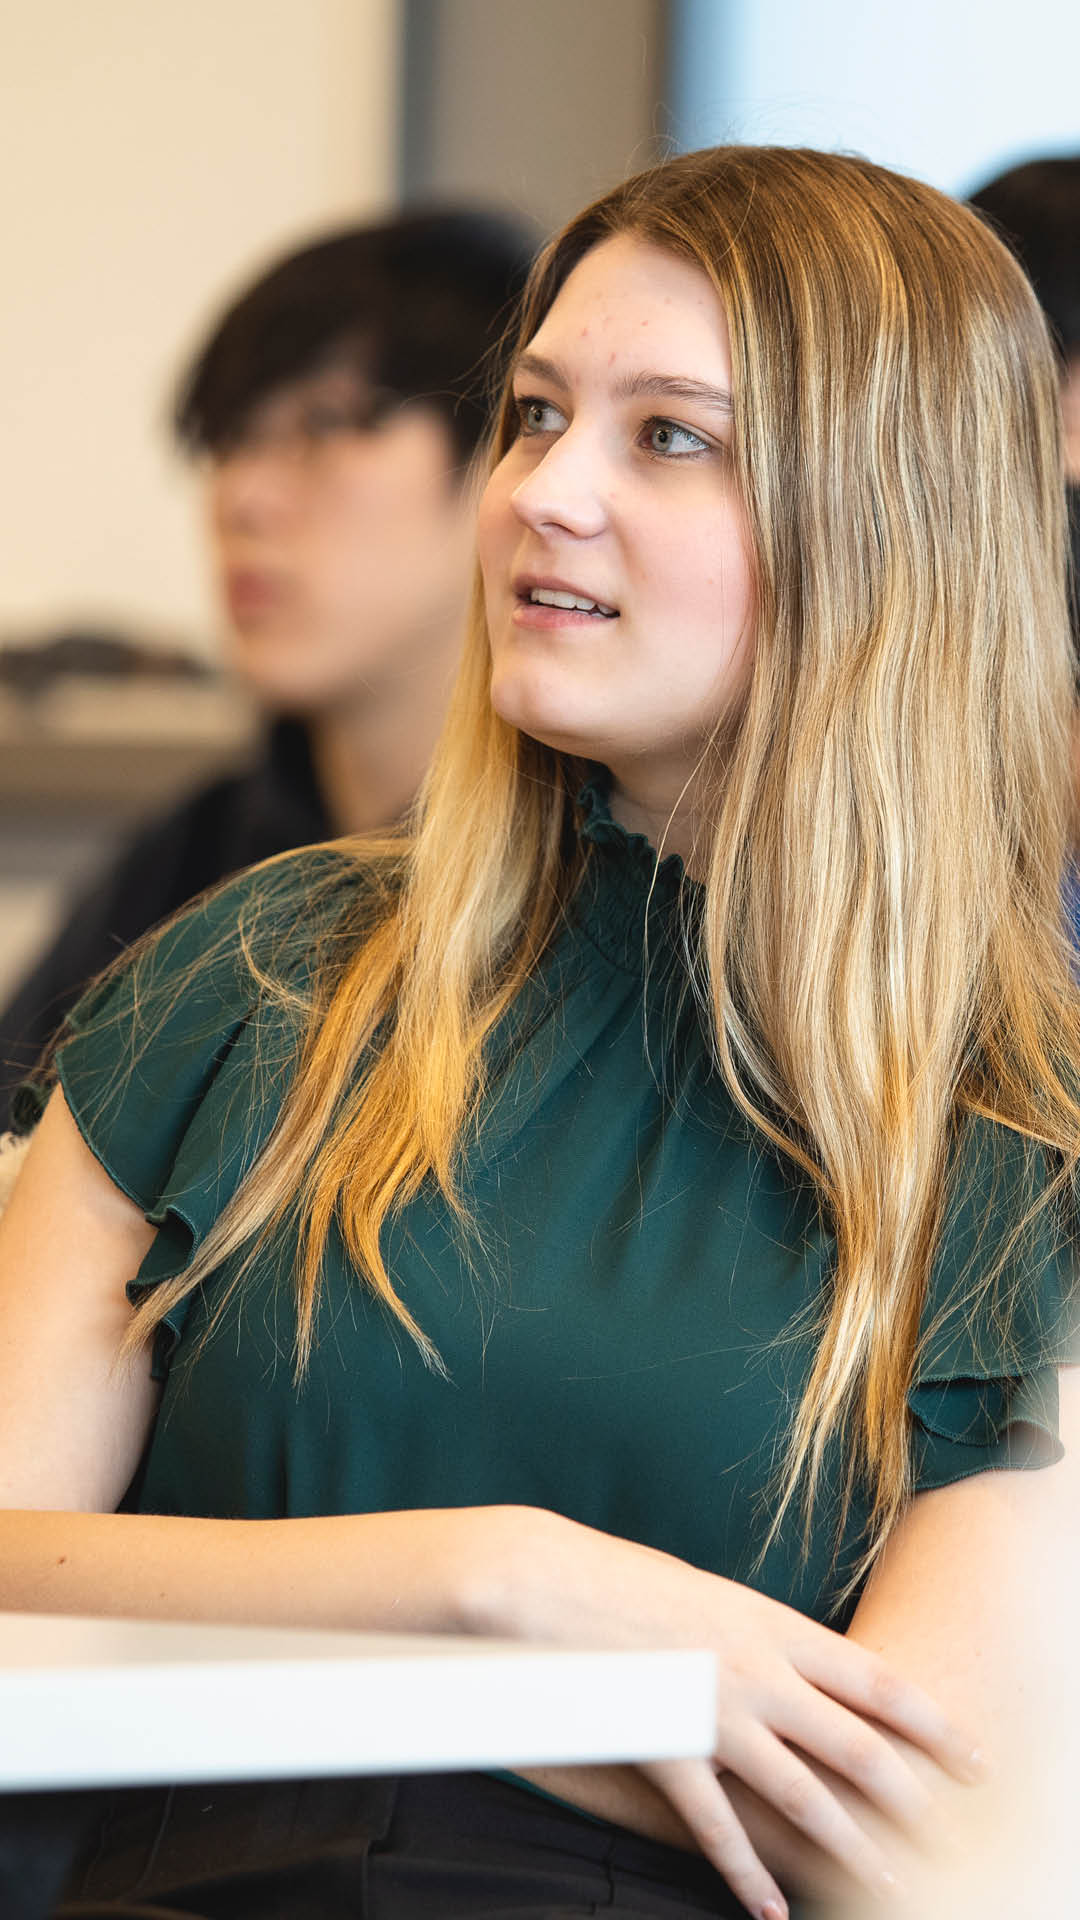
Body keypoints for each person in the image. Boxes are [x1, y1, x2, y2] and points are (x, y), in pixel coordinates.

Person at [0, 143, 1078, 1920]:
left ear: (882, 525)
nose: (543, 492)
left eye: (671, 436)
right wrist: (506, 1590)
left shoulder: (1015, 1149)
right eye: (533, 412)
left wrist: (280, 1641)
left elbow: (917, 1838)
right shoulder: (263, 975)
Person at [0, 207, 536, 1121]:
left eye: (325, 425)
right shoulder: (191, 859)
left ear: (506, 454)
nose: (242, 496)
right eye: (230, 441)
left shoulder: (576, 878)